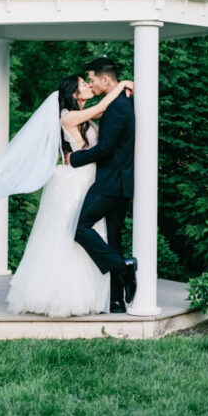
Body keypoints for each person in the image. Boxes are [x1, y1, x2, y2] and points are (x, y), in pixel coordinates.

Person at [6, 72, 134, 318]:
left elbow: (104, 109)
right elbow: (105, 104)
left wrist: (126, 89)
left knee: (91, 232)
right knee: (71, 233)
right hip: (76, 181)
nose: (88, 86)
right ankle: (70, 293)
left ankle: (105, 292)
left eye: (89, 82)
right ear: (75, 94)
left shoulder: (84, 114)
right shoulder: (69, 116)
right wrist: (122, 85)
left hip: (90, 179)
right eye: (84, 84)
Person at [65, 57, 137, 314]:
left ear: (106, 79)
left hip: (109, 182)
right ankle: (116, 299)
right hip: (121, 181)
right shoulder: (121, 102)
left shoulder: (117, 106)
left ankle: (123, 269)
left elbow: (105, 148)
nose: (91, 85)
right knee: (114, 238)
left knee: (79, 228)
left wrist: (74, 160)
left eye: (92, 80)